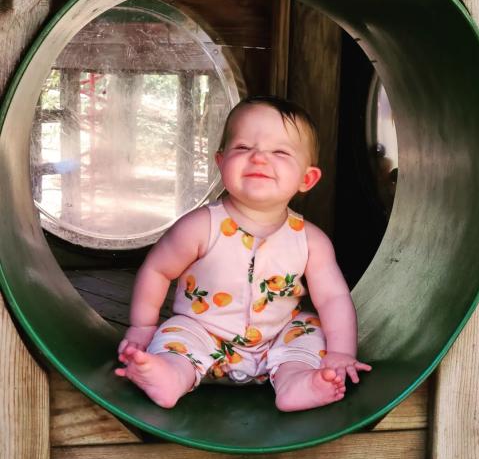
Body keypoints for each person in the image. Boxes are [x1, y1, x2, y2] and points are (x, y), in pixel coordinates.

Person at [115, 96, 371, 412]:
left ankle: (295, 383)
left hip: (277, 340)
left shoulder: (310, 240)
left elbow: (333, 298)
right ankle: (169, 376)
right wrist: (142, 326)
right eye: (243, 148)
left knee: (309, 328)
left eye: (279, 152)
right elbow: (158, 270)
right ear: (221, 162)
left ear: (307, 179)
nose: (259, 158)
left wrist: (342, 352)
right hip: (203, 334)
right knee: (175, 335)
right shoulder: (199, 227)